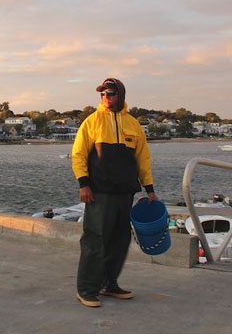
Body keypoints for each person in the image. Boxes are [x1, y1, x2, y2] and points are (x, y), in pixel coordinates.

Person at [71, 77, 157, 308]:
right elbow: (78, 155)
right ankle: (87, 289)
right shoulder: (91, 122)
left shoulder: (133, 125)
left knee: (120, 240)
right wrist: (84, 184)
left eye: (110, 93)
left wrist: (149, 190)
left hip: (125, 192)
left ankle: (109, 284)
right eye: (102, 94)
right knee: (95, 240)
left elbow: (143, 159)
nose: (106, 97)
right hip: (99, 192)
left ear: (120, 95)